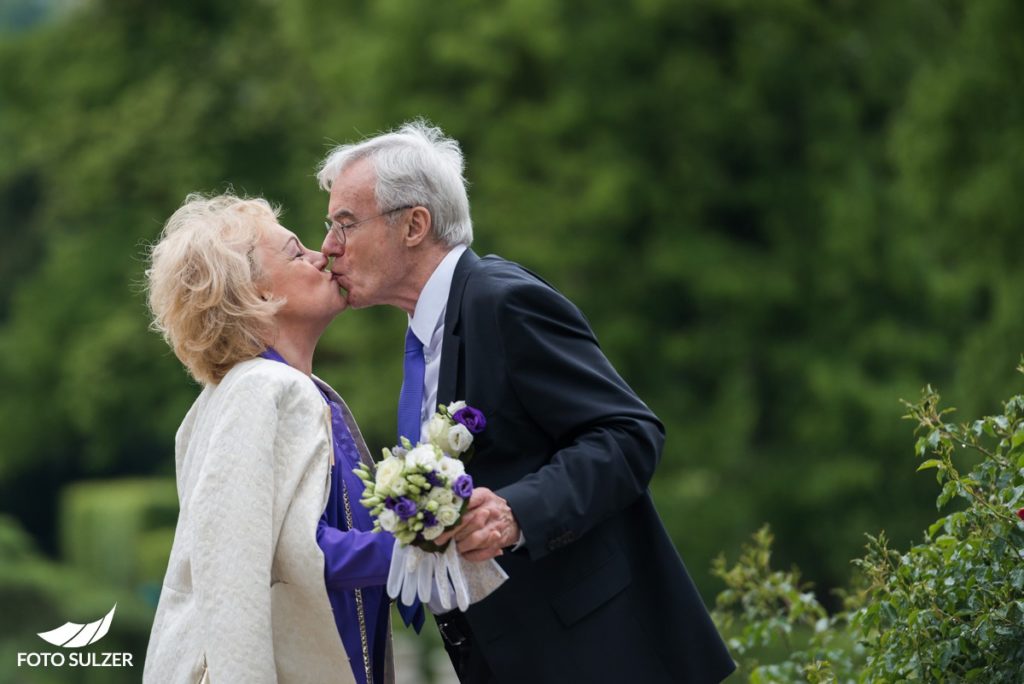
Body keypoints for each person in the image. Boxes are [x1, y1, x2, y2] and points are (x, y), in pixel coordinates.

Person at [316, 122, 736, 683]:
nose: (328, 247)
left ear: (415, 225)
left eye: (345, 223)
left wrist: (517, 513)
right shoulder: (425, 333)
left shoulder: (502, 301)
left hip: (598, 655)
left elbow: (629, 435)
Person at [143, 193, 400, 684]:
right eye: (294, 252)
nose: (320, 254)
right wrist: (425, 545)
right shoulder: (262, 387)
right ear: (257, 294)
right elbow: (291, 553)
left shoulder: (240, 393)